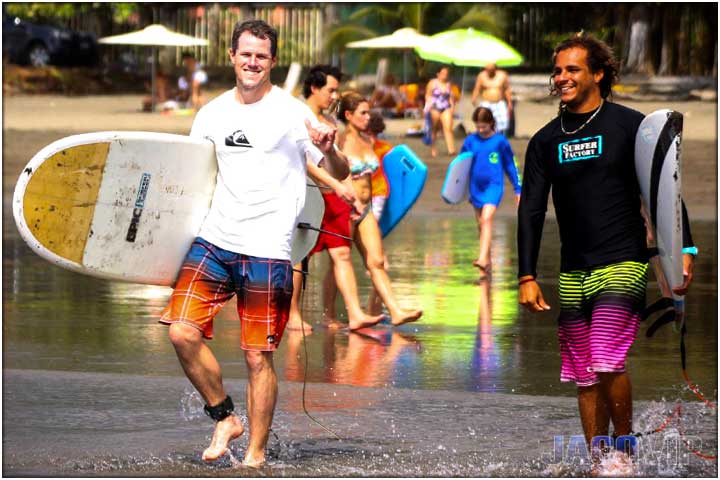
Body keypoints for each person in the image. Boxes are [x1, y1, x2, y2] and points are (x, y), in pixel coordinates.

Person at [158, 19, 352, 468]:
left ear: (273, 61)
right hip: (214, 239)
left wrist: (333, 147)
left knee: (256, 356)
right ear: (231, 56)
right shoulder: (211, 114)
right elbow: (191, 183)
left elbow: (338, 173)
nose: (252, 62)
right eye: (245, 54)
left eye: (261, 56)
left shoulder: (293, 114)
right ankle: (224, 417)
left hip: (268, 246)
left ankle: (255, 457)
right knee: (181, 332)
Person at [517, 33, 697, 475]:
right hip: (574, 269)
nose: (561, 78)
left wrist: (683, 249)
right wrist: (525, 275)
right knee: (583, 373)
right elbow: (532, 211)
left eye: (572, 69)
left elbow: (664, 191)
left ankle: (625, 449)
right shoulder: (544, 141)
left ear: (598, 73)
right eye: (557, 71)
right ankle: (599, 460)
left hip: (624, 259)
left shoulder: (629, 126)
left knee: (606, 358)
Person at [286, 64, 384, 333]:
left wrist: (347, 188)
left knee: (341, 252)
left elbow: (340, 161)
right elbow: (304, 161)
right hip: (305, 194)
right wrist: (335, 185)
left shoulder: (330, 123)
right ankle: (293, 315)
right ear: (314, 88)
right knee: (298, 256)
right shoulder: (296, 116)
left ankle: (354, 314)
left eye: (337, 91)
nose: (334, 97)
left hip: (333, 197)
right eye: (330, 90)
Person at [338, 91, 423, 326]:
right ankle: (339, 313)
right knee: (340, 260)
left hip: (365, 208)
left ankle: (395, 311)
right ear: (348, 115)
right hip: (345, 206)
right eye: (363, 113)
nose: (368, 117)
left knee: (377, 261)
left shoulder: (367, 141)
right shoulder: (340, 141)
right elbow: (333, 170)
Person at [461, 106, 521, 279]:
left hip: (493, 186)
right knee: (481, 224)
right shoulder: (470, 141)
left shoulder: (500, 141)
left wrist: (518, 188)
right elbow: (461, 166)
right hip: (475, 187)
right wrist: (457, 190)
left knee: (486, 220)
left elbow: (510, 165)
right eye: (478, 126)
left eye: (483, 127)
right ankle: (486, 265)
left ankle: (481, 258)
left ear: (491, 123)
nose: (480, 130)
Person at [471, 62, 514, 137]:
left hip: (499, 103)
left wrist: (509, 102)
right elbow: (477, 88)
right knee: (484, 122)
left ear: (495, 68)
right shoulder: (482, 76)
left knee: (502, 123)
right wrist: (474, 98)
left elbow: (507, 89)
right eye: (487, 69)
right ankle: (485, 138)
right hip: (486, 103)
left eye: (491, 69)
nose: (489, 71)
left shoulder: (502, 75)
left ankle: (499, 138)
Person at [424, 65, 456, 158]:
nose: (445, 75)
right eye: (443, 73)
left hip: (446, 107)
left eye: (446, 73)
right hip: (434, 107)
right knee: (435, 129)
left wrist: (452, 108)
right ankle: (433, 148)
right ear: (438, 74)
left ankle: (451, 149)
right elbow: (428, 95)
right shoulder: (432, 83)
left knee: (448, 127)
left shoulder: (448, 84)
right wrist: (428, 107)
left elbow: (451, 97)